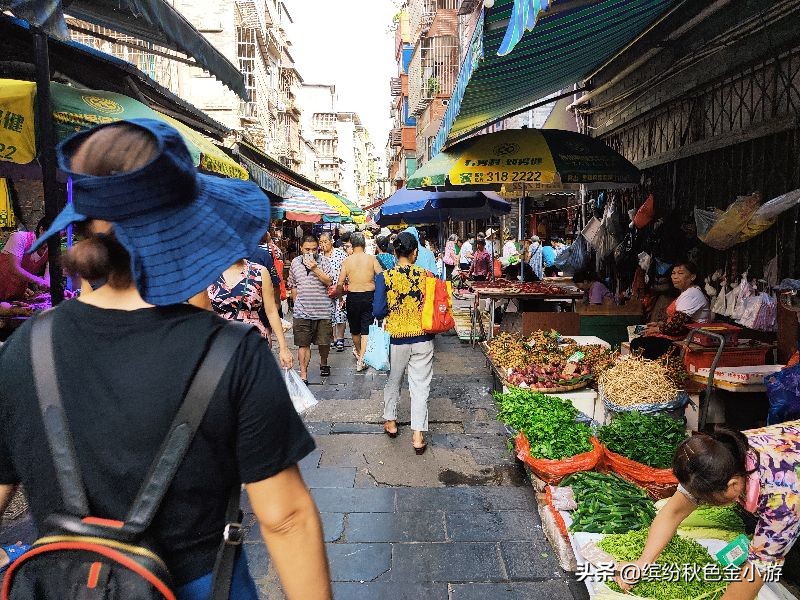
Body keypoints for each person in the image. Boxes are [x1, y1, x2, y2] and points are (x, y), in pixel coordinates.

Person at [0, 119, 330, 598]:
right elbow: (284, 520)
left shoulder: (24, 349)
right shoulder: (234, 354)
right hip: (202, 585)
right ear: (184, 225)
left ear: (88, 225)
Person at [618, 424, 800, 600]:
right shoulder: (723, 455)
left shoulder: (782, 503)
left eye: (706, 499)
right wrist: (642, 564)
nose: (701, 501)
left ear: (733, 486)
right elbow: (674, 512)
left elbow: (757, 570)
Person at [373, 232, 433, 455]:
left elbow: (378, 311)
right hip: (423, 338)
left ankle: (390, 421)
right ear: (415, 252)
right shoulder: (426, 276)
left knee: (393, 381)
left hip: (396, 338)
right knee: (420, 387)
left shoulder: (385, 278)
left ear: (395, 252)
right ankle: (417, 435)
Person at [208, 258, 293, 368]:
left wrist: (283, 347)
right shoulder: (208, 273)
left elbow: (271, 311)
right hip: (219, 341)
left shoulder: (259, 271)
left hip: (253, 339)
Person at [631, 262, 713, 359]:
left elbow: (677, 326)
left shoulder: (692, 294)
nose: (675, 277)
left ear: (692, 277)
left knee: (639, 344)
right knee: (641, 339)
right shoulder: (689, 292)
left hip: (688, 338)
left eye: (680, 273)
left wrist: (657, 329)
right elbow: (678, 320)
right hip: (682, 336)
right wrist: (660, 324)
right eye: (673, 273)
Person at [287, 235, 334, 383]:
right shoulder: (295, 263)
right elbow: (293, 285)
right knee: (303, 343)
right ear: (301, 248)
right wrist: (296, 304)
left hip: (323, 310)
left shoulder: (324, 262)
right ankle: (303, 373)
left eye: (314, 249)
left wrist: (315, 268)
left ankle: (324, 362)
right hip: (302, 311)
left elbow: (329, 281)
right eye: (307, 249)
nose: (310, 252)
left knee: (324, 342)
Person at [336, 232, 382, 372]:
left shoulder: (347, 261)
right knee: (366, 328)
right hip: (369, 295)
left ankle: (359, 353)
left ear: (352, 244)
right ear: (363, 244)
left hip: (353, 297)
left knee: (355, 329)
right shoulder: (371, 259)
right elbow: (381, 277)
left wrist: (340, 298)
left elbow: (339, 283)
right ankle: (361, 358)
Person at [0, 217, 51, 301]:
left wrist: (57, 292)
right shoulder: (19, 237)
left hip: (15, 294)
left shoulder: (50, 250)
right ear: (41, 230)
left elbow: (47, 280)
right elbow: (15, 268)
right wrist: (38, 280)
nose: (56, 240)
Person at [319, 232, 348, 352]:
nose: (323, 244)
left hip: (340, 289)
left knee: (340, 313)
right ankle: (333, 337)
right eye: (321, 242)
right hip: (325, 290)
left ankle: (340, 338)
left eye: (325, 241)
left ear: (331, 241)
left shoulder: (340, 254)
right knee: (329, 315)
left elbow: (347, 268)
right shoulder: (319, 256)